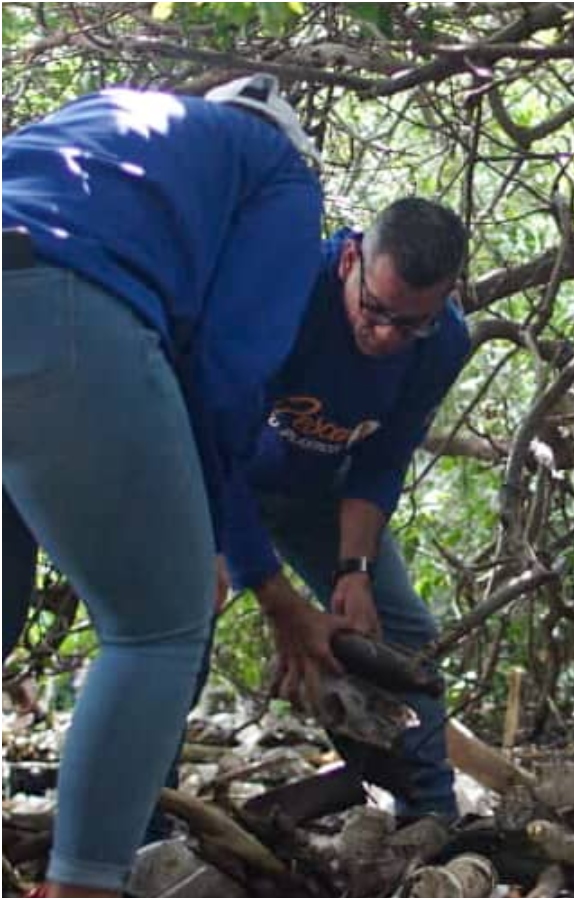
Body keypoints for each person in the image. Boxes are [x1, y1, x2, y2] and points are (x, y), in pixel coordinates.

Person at [2, 75, 323, 896]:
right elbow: (230, 367)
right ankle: (83, 883)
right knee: (158, 624)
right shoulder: (281, 173)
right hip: (52, 304)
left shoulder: (120, 118)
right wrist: (209, 539)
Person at [214, 197, 471, 823]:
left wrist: (353, 567)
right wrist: (255, 580)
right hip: (215, 475)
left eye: (412, 324)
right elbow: (211, 447)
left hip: (315, 491)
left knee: (397, 627)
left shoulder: (443, 344)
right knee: (178, 620)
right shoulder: (284, 289)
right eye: (376, 310)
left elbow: (383, 458)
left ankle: (427, 818)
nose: (385, 336)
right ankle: (142, 829)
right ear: (350, 260)